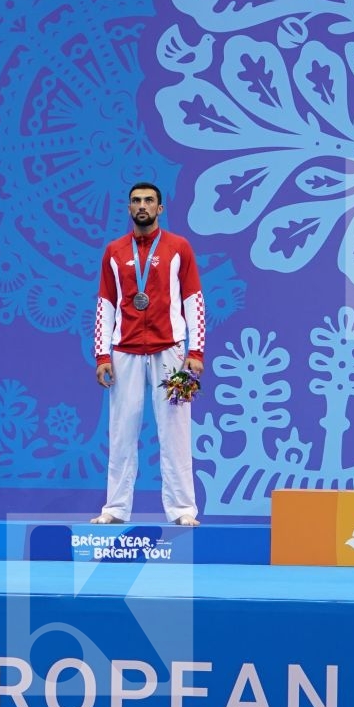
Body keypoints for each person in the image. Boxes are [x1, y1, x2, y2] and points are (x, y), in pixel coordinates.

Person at [92, 182, 206, 526]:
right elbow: (105, 304)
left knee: (176, 431)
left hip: (171, 350)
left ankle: (183, 509)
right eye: (136, 201)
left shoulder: (179, 247)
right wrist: (102, 355)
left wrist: (195, 350)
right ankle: (115, 508)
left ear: (160, 208)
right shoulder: (114, 251)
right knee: (122, 431)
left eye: (149, 201)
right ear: (128, 208)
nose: (142, 206)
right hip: (125, 351)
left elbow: (193, 301)